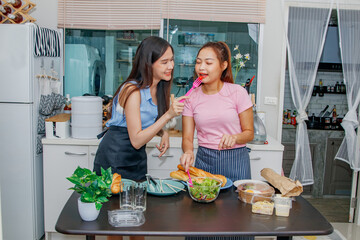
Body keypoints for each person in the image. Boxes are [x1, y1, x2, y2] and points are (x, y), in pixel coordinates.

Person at [180, 41, 254, 240]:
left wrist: (235, 137)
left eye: (208, 62)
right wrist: (188, 151)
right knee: (202, 221)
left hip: (236, 161)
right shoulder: (191, 97)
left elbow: (249, 133)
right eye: (198, 62)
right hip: (205, 162)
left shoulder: (237, 92)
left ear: (223, 66)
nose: (201, 67)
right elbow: (187, 138)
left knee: (236, 219)